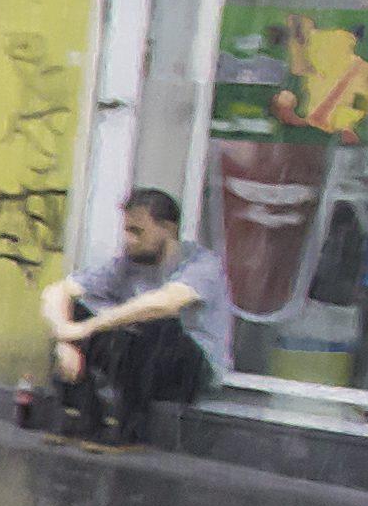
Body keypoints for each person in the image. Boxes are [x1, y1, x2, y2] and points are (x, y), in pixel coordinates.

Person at [42, 188, 231, 448]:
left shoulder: (201, 263)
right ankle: (84, 419)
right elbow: (58, 291)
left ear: (168, 229)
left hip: (192, 371)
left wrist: (87, 328)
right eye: (127, 230)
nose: (128, 240)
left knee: (150, 320)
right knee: (75, 308)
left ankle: (131, 429)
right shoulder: (127, 264)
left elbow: (166, 302)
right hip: (141, 361)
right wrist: (64, 336)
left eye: (137, 232)